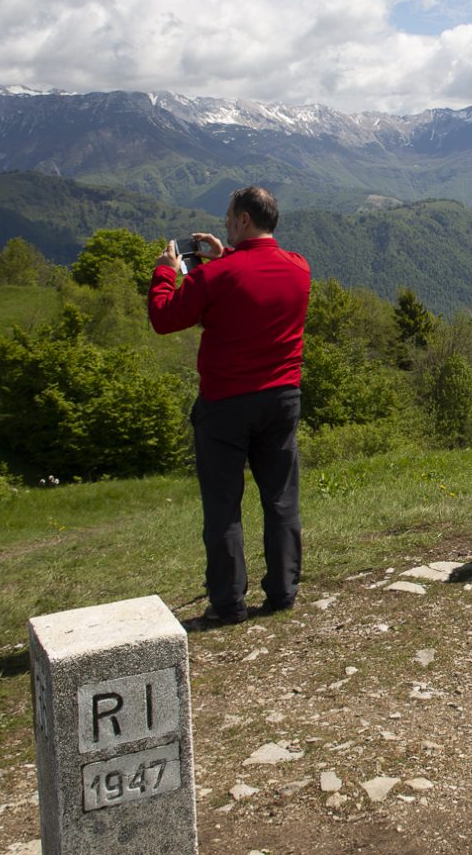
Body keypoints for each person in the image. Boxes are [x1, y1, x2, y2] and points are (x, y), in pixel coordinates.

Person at [148, 186, 311, 626]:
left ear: (242, 220)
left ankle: (227, 603)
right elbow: (250, 292)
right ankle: (283, 591)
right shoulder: (299, 268)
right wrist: (225, 259)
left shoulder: (212, 278)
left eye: (227, 217)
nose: (224, 223)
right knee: (280, 499)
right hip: (282, 399)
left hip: (225, 404)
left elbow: (165, 318)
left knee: (223, 506)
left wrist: (166, 272)